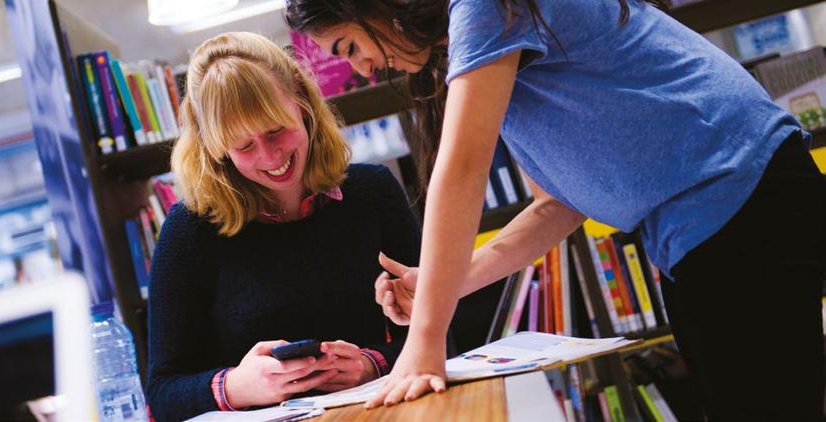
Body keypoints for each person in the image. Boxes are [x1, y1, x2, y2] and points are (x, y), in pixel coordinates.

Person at [286, 0, 826, 420]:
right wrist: (441, 283)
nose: (364, 67)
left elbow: (464, 169)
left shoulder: (487, 8)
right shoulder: (489, 49)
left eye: (349, 45)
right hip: (706, 228)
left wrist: (424, 342)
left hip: (744, 202)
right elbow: (555, 208)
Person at [144, 32, 420, 422]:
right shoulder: (189, 230)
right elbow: (163, 392)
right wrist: (237, 387)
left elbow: (438, 329)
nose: (270, 156)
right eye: (243, 146)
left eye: (276, 130)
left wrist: (371, 364)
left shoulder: (373, 192)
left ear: (302, 104)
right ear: (215, 148)